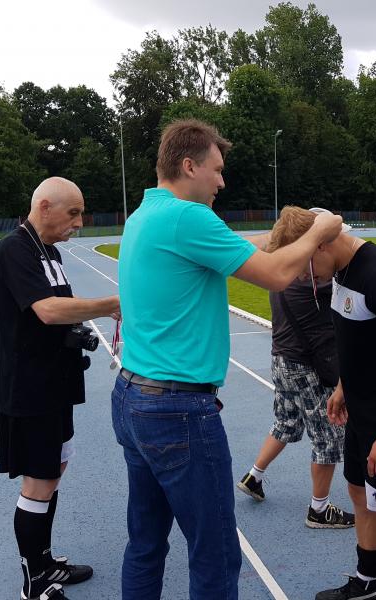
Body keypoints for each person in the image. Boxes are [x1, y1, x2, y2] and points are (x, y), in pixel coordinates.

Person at [111, 119, 344, 600]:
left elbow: (243, 248)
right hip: (178, 411)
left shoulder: (145, 215)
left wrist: (281, 233)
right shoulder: (188, 219)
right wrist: (319, 228)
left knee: (146, 543)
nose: (222, 182)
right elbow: (279, 274)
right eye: (216, 171)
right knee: (215, 550)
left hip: (134, 397)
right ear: (189, 165)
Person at [267, 206, 376, 600]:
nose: (300, 273)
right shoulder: (342, 270)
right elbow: (360, 341)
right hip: (361, 414)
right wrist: (344, 387)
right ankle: (367, 584)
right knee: (361, 496)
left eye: (303, 261)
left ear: (323, 243)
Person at [0, 177, 120, 600]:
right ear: (44, 207)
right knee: (38, 480)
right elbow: (46, 311)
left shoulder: (50, 252)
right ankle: (34, 582)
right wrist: (112, 304)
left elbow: (60, 306)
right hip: (29, 387)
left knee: (54, 470)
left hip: (55, 382)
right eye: (74, 213)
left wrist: (83, 323)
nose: (80, 222)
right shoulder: (14, 249)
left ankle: (44, 560)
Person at [236, 277, 355, 529]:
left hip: (282, 361)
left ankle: (254, 477)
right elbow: (366, 289)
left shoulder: (282, 275)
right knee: (328, 436)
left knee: (286, 423)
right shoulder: (312, 282)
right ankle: (319, 509)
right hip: (306, 366)